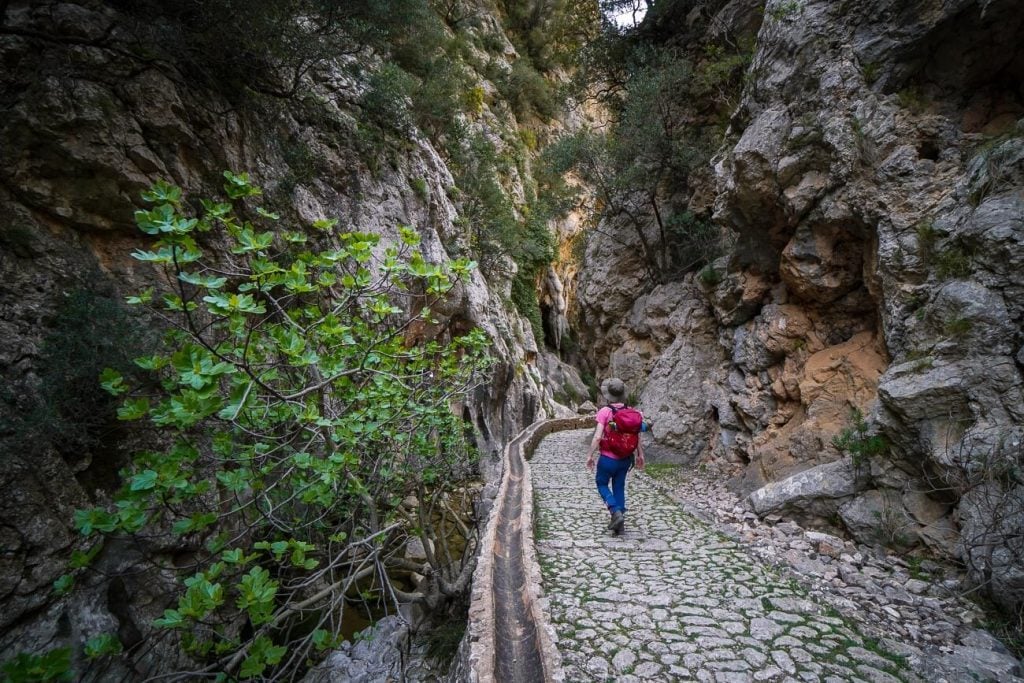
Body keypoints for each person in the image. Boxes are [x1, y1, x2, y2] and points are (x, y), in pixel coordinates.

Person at [585, 377, 645, 535]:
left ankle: (614, 511)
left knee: (602, 484)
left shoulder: (605, 412)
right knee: (619, 486)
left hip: (607, 459)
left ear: (608, 395)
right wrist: (640, 454)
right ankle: (620, 523)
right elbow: (637, 435)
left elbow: (598, 437)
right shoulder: (631, 412)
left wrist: (590, 456)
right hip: (625, 459)